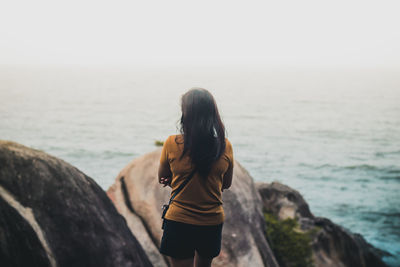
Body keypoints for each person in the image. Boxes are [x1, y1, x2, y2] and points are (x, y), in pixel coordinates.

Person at [158, 87, 234, 267]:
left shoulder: (171, 143)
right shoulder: (225, 146)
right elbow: (226, 184)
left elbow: (162, 177)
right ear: (212, 114)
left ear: (186, 114)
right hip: (211, 221)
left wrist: (174, 180)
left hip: (179, 220)